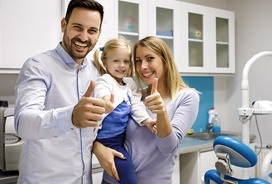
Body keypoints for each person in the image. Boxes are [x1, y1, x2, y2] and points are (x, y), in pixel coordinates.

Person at [13, 0, 116, 183]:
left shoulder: (95, 71)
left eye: (92, 31)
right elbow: (23, 123)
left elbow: (90, 131)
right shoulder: (38, 66)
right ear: (64, 25)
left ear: (99, 33)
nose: (84, 37)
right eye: (77, 27)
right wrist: (71, 117)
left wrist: (98, 146)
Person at [93, 36, 200, 184]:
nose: (143, 66)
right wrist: (97, 148)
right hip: (112, 180)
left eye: (150, 58)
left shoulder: (187, 97)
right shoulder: (134, 95)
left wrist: (161, 112)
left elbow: (167, 147)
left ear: (165, 61)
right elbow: (106, 130)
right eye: (138, 60)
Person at [93, 36, 156, 184]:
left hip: (119, 141)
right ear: (105, 61)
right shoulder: (105, 79)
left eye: (126, 61)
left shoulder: (129, 84)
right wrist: (106, 102)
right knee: (129, 179)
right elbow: (102, 91)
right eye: (116, 61)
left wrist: (146, 120)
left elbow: (136, 104)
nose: (121, 66)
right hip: (105, 141)